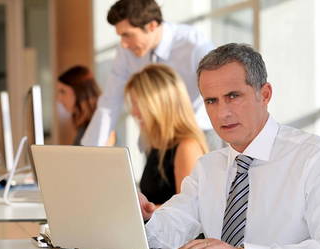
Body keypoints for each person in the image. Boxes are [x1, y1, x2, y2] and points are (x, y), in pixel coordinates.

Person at [138, 43, 320, 249]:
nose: (221, 113)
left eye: (233, 96)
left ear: (265, 94)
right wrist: (141, 218)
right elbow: (168, 232)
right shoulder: (208, 167)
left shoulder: (319, 160)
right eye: (211, 101)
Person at [81, 0, 222, 150]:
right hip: (154, 136)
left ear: (152, 26)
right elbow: (110, 101)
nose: (123, 44)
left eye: (127, 35)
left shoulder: (194, 44)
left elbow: (217, 90)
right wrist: (91, 150)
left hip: (197, 132)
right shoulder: (126, 51)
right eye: (121, 36)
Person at [125, 64, 208, 206]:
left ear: (160, 103)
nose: (133, 112)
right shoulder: (157, 146)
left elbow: (188, 212)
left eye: (137, 104)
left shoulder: (187, 147)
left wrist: (142, 212)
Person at [57, 65, 115, 146]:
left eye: (63, 91)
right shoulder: (87, 126)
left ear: (80, 92)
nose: (59, 99)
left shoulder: (98, 127)